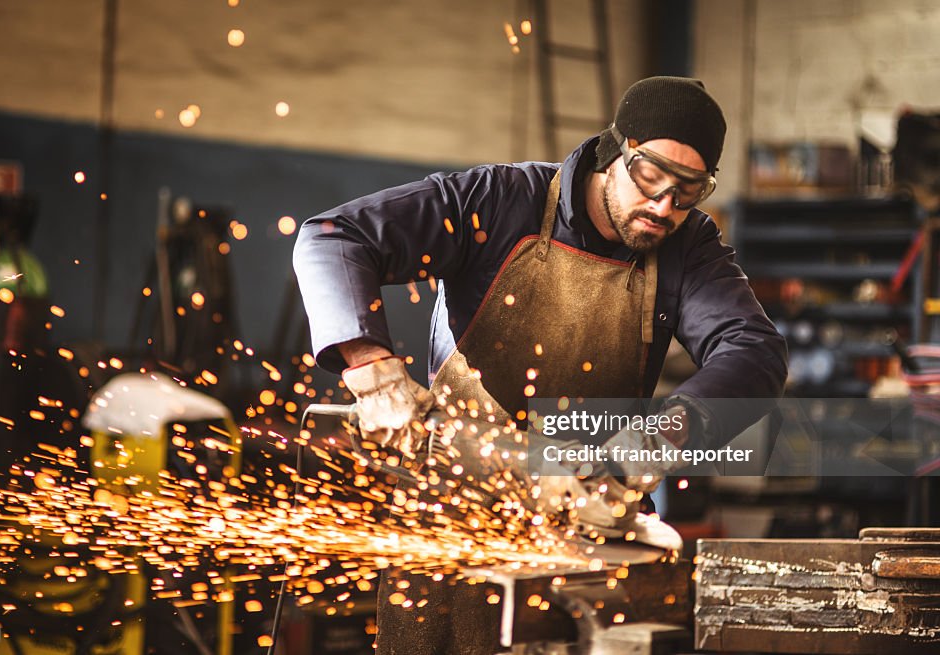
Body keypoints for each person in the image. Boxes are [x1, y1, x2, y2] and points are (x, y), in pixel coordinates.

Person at [293, 76, 787, 655]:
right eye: (650, 177)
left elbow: (752, 350)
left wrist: (656, 439)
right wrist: (372, 369)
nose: (663, 206)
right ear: (615, 150)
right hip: (457, 513)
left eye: (688, 191)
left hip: (591, 518)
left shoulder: (689, 246)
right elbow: (333, 236)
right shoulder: (497, 200)